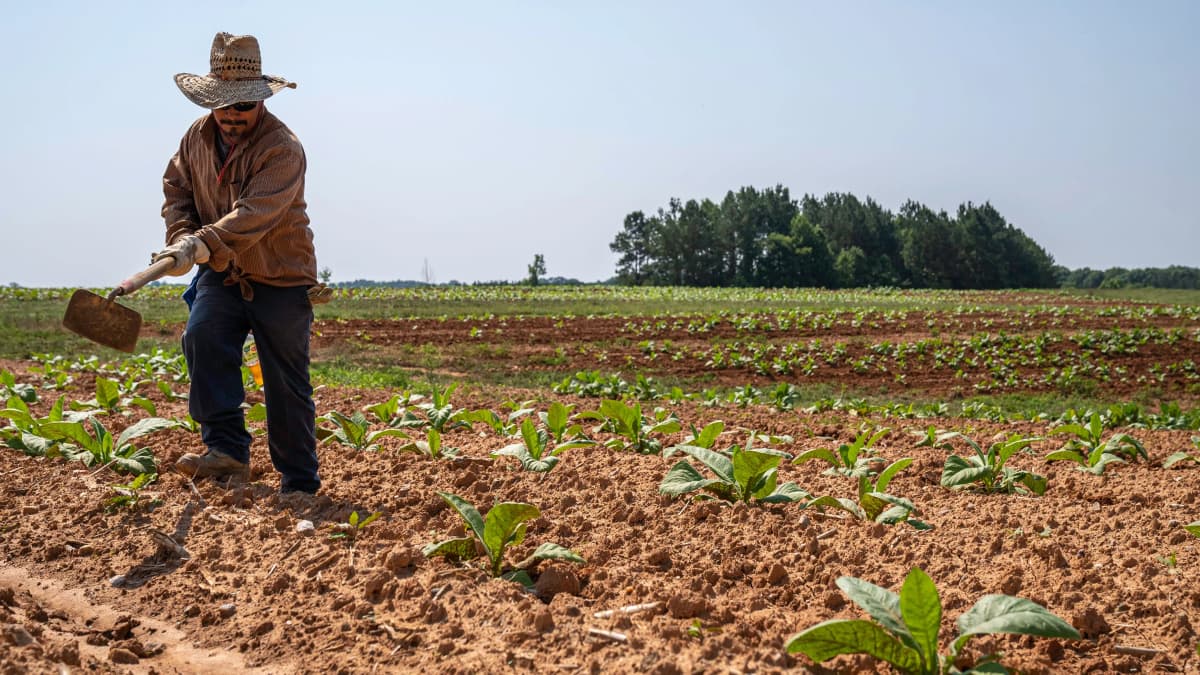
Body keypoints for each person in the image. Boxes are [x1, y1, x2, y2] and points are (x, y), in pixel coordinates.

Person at [155, 32, 330, 495]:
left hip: (280, 276)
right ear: (210, 101)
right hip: (222, 271)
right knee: (202, 335)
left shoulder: (283, 148)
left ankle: (299, 483)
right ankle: (227, 451)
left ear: (260, 103)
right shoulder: (195, 138)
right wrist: (179, 237)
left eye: (244, 106)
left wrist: (199, 243)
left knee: (284, 381)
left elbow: (254, 215)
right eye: (224, 106)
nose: (233, 116)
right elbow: (178, 191)